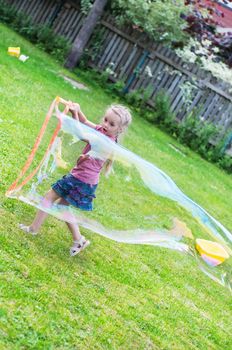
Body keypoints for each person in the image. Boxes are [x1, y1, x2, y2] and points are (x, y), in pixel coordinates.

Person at [19, 102, 132, 256]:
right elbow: (85, 123)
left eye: (111, 124)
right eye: (105, 119)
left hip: (81, 179)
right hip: (85, 179)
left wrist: (73, 117)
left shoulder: (105, 141)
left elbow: (82, 135)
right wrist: (77, 111)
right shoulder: (101, 131)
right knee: (62, 206)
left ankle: (33, 229)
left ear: (119, 129)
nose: (105, 124)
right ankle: (79, 240)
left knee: (49, 197)